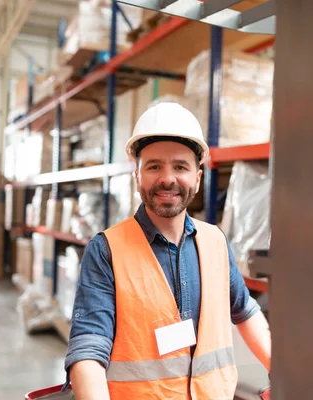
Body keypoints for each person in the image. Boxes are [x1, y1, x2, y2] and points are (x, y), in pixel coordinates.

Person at [64, 102, 272, 399]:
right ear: (137, 176)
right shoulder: (107, 250)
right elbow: (89, 349)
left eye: (180, 166)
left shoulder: (215, 241)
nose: (167, 178)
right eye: (154, 166)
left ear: (197, 178)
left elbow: (246, 311)